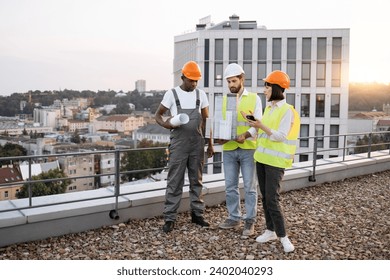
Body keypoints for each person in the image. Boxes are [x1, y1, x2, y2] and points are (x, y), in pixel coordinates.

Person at [241, 70, 300, 253]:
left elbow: (280, 136)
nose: (264, 89)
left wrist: (260, 125)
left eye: (267, 86)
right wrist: (255, 124)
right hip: (262, 159)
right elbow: (265, 132)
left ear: (275, 88)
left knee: (273, 199)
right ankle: (270, 230)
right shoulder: (269, 108)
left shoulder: (287, 111)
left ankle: (283, 237)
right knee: (265, 197)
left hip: (276, 162)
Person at [155, 61, 214, 233]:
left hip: (197, 144)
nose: (194, 84)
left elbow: (206, 121)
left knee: (197, 181)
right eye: (190, 80)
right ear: (182, 78)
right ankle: (170, 218)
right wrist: (166, 125)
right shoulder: (171, 94)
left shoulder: (201, 95)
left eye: (196, 81)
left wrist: (209, 143)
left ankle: (197, 215)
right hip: (178, 145)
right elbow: (158, 115)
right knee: (175, 181)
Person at [217, 63, 262, 236]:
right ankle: (234, 217)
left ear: (242, 79)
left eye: (234, 81)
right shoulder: (224, 100)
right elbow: (222, 124)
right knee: (230, 186)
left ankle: (250, 220)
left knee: (250, 187)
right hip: (229, 149)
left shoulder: (254, 99)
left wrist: (245, 135)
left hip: (248, 149)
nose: (231, 85)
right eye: (228, 82)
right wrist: (219, 137)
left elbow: (257, 125)